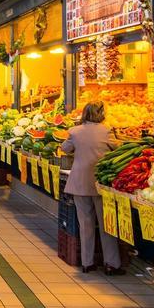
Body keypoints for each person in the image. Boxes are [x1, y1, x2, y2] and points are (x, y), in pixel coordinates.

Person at [61, 102, 123, 275]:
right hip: (100, 182)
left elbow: (64, 149)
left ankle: (87, 263)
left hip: (79, 182)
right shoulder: (107, 130)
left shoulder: (75, 131)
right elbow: (118, 147)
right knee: (106, 225)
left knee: (85, 224)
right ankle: (111, 264)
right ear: (101, 113)